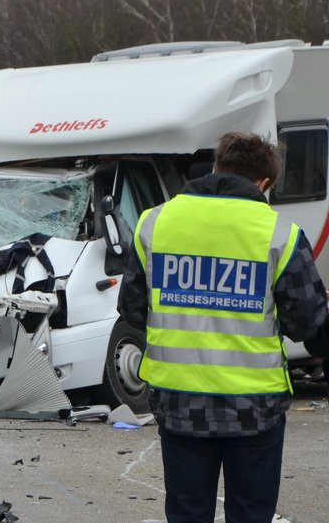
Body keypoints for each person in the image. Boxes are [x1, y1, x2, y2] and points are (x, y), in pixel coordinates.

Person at [117, 131, 329, 523]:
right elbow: (309, 323)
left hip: (178, 402)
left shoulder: (154, 223)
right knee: (250, 515)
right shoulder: (280, 234)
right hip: (255, 409)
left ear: (215, 167)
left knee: (187, 513)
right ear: (263, 183)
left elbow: (131, 309)